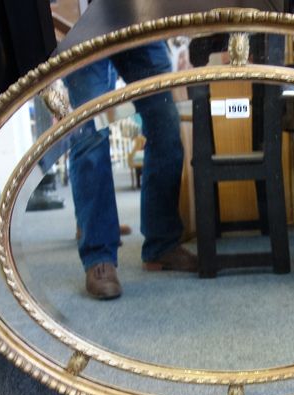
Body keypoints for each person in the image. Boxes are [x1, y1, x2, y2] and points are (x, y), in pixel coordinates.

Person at [63, 42, 196, 300]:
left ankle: (162, 244)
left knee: (166, 124)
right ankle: (99, 256)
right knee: (89, 131)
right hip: (83, 26)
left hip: (136, 18)